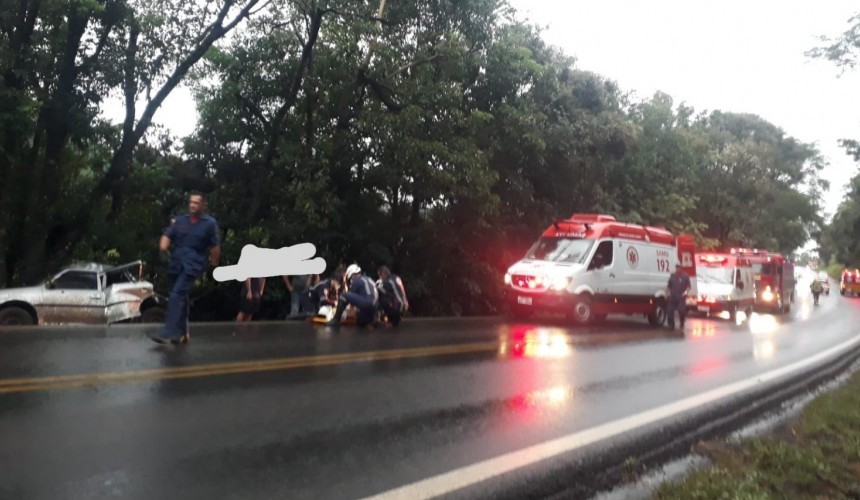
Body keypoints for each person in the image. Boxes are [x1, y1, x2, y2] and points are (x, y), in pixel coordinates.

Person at [151, 191, 220, 345]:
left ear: (203, 205)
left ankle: (168, 331)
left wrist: (214, 266)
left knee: (176, 295)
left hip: (193, 265)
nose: (192, 205)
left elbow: (215, 247)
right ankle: (183, 333)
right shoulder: (181, 221)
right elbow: (167, 236)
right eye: (191, 202)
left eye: (196, 202)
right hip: (176, 263)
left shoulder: (210, 223)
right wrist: (163, 249)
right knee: (181, 297)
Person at [665, 263, 691, 330]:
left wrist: (685, 293)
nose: (677, 269)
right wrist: (667, 293)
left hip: (681, 297)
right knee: (670, 310)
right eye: (676, 267)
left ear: (681, 268)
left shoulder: (685, 276)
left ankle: (682, 322)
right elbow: (668, 286)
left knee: (681, 310)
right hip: (673, 296)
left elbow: (688, 287)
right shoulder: (672, 276)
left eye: (679, 267)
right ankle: (671, 325)